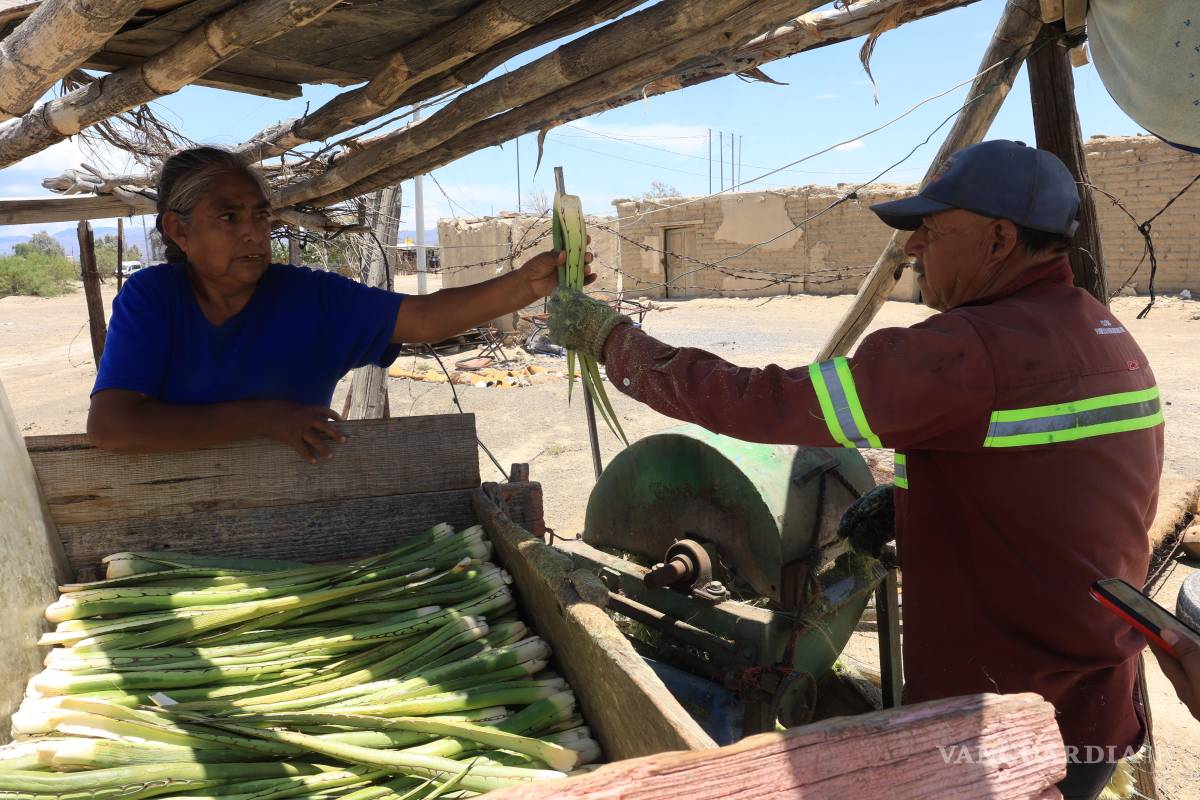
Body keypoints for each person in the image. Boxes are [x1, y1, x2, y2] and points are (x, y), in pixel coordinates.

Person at [548, 140, 1164, 800]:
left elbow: (768, 403)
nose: (913, 249)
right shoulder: (1103, 335)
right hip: (1093, 704)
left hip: (1001, 732)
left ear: (999, 238)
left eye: (931, 229)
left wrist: (616, 343)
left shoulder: (967, 350)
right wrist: (909, 502)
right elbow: (1050, 477)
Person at [88, 146, 590, 464]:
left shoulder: (309, 297)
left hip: (302, 503)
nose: (253, 233)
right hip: (177, 514)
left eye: (260, 217)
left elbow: (424, 318)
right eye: (228, 217)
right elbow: (112, 426)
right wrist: (267, 419)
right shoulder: (154, 299)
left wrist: (526, 284)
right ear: (178, 230)